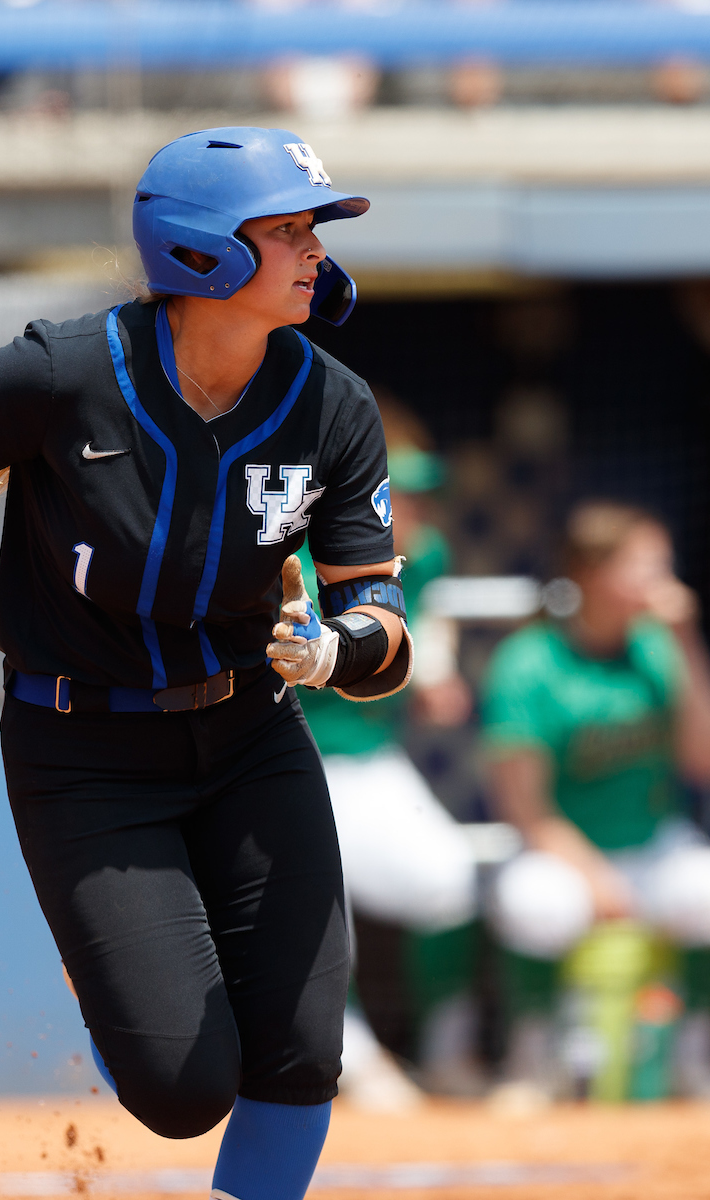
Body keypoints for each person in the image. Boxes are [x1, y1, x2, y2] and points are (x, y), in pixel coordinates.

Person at [0, 127, 412, 1200]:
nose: (314, 251)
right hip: (85, 749)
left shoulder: (334, 405)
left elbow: (381, 622)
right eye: (287, 230)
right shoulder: (64, 371)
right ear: (202, 253)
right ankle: (103, 968)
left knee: (301, 1051)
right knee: (183, 1089)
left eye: (313, 231)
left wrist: (338, 648)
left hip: (251, 733)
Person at [482, 500, 710, 1098]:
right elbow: (524, 808)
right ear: (588, 572)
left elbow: (701, 763)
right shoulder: (529, 660)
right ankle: (532, 1056)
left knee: (703, 890)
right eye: (644, 564)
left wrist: (686, 644)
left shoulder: (660, 650)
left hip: (652, 844)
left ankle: (695, 1053)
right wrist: (597, 877)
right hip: (567, 851)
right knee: (534, 903)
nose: (662, 581)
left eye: (664, 565)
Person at [295, 410, 482, 1104]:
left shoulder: (426, 554)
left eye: (426, 494)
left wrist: (436, 668)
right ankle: (352, 1055)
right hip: (293, 757)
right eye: (405, 495)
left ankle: (449, 1050)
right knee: (318, 901)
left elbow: (430, 627)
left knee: (452, 879)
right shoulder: (302, 563)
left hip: (373, 760)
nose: (421, 509)